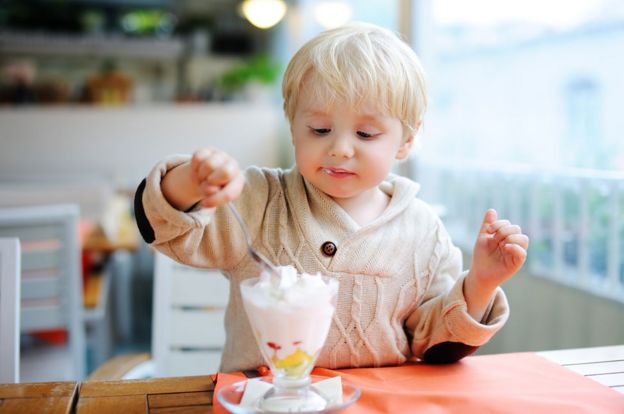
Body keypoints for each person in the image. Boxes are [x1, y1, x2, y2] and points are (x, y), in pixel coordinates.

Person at [134, 22, 529, 373]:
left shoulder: (423, 231)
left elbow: (436, 345)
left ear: (407, 139)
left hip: (378, 404)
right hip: (264, 403)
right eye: (320, 129)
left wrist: (480, 283)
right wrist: (190, 182)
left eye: (365, 134)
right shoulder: (261, 200)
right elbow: (170, 231)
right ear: (293, 127)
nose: (340, 148)